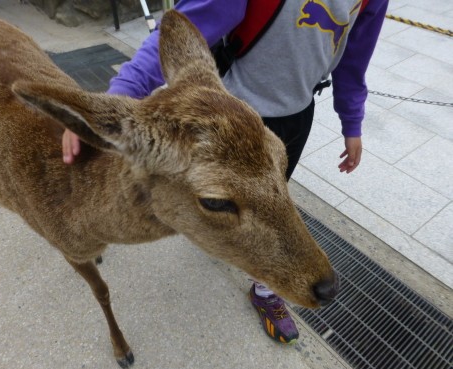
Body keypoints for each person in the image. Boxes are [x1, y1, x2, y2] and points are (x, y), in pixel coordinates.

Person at [62, 0, 389, 344]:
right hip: (231, 105)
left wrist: (352, 121)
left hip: (295, 113)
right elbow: (190, 22)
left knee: (274, 199)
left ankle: (264, 289)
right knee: (224, 200)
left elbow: (354, 52)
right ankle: (218, 228)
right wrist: (115, 100)